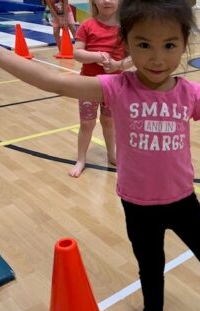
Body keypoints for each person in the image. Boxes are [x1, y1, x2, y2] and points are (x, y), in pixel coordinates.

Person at [0, 1, 200, 311]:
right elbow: (54, 81)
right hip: (138, 206)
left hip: (183, 202)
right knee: (150, 270)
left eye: (169, 45)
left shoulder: (189, 93)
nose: (157, 58)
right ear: (128, 44)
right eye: (144, 45)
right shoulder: (116, 88)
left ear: (184, 45)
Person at [69, 0, 132, 178]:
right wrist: (96, 56)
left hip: (114, 86)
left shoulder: (125, 28)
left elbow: (134, 55)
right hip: (88, 85)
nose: (106, 1)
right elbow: (77, 53)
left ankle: (112, 154)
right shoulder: (87, 25)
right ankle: (81, 159)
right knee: (86, 123)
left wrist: (118, 64)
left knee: (109, 122)